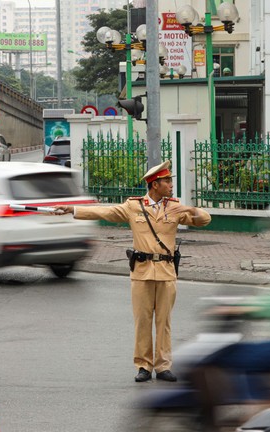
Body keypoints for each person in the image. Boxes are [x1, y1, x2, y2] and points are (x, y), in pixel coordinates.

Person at [53, 160, 211, 382]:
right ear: (155, 185)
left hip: (166, 272)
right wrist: (73, 209)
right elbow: (104, 212)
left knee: (164, 321)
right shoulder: (133, 206)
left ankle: (163, 366)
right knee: (143, 321)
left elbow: (205, 220)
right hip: (142, 272)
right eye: (167, 181)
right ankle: (143, 366)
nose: (170, 185)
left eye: (170, 180)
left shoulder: (174, 207)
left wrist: (191, 209)